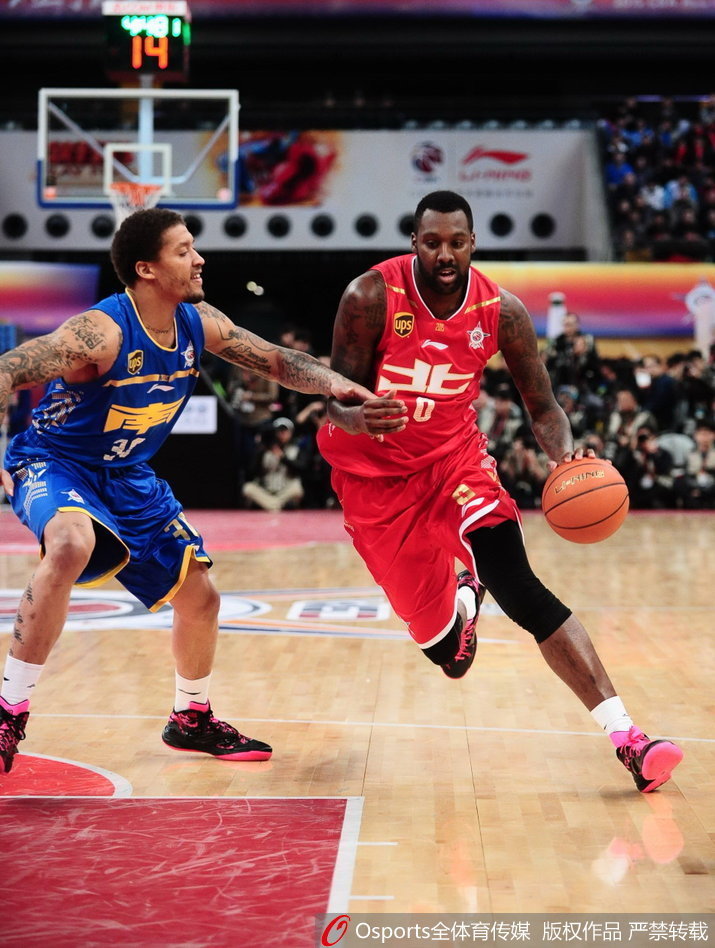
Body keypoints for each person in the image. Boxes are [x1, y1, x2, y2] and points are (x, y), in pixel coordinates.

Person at [317, 189, 683, 793]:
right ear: (414, 243)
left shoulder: (501, 311)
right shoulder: (370, 296)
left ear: (473, 244)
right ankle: (464, 605)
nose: (445, 254)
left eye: (457, 242)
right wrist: (357, 417)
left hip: (454, 466)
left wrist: (564, 454)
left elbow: (544, 406)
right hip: (373, 483)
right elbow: (334, 397)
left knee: (518, 584)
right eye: (432, 242)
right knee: (446, 655)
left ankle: (629, 739)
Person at [0, 207, 376, 776]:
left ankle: (191, 718)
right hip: (55, 463)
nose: (199, 259)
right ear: (146, 269)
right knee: (73, 544)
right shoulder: (99, 332)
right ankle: (9, 710)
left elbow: (277, 360)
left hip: (128, 475)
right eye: (183, 251)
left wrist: (339, 385)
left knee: (200, 598)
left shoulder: (199, 322)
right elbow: (8, 367)